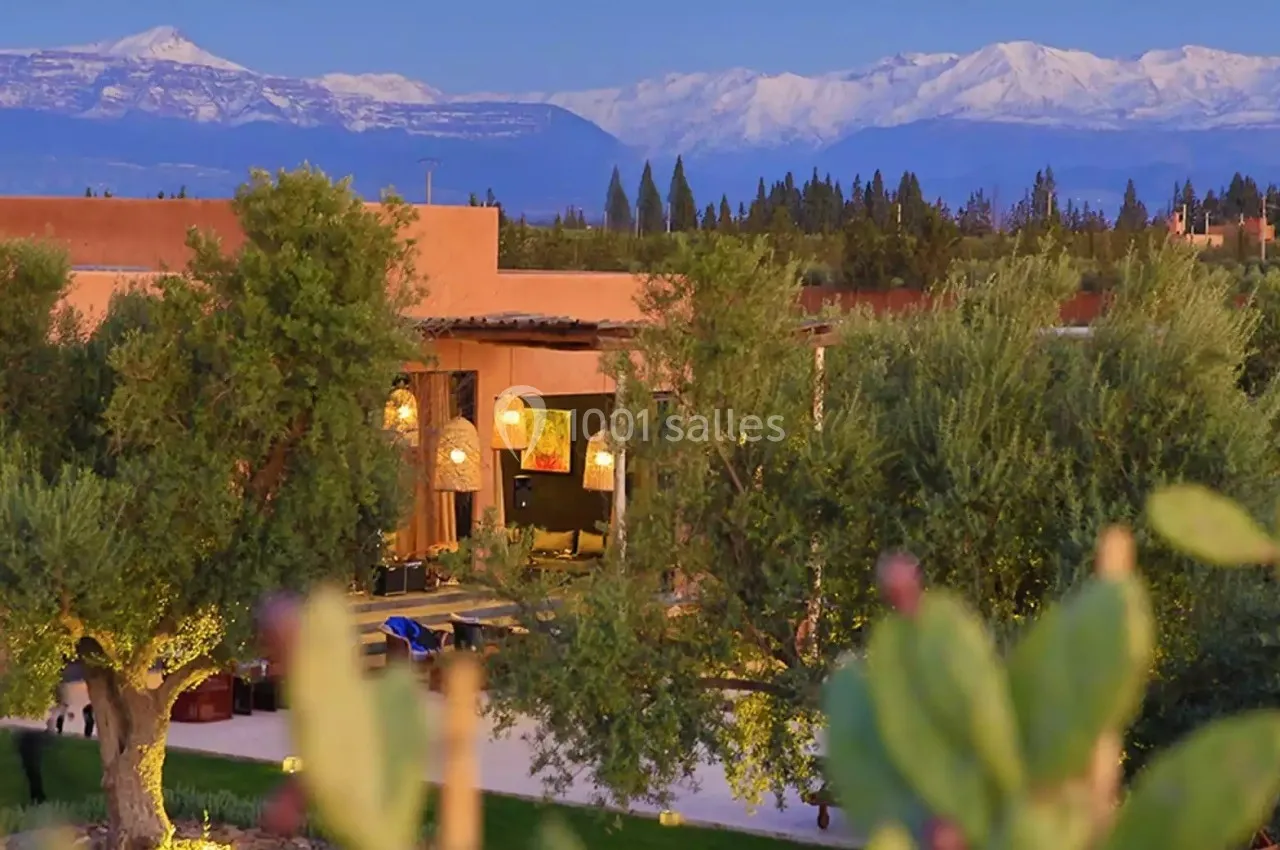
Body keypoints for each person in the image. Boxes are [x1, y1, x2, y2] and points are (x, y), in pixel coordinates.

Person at [13, 728, 49, 804]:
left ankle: (38, 798)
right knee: (31, 770)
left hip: (31, 737)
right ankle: (37, 797)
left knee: (33, 770)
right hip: (28, 736)